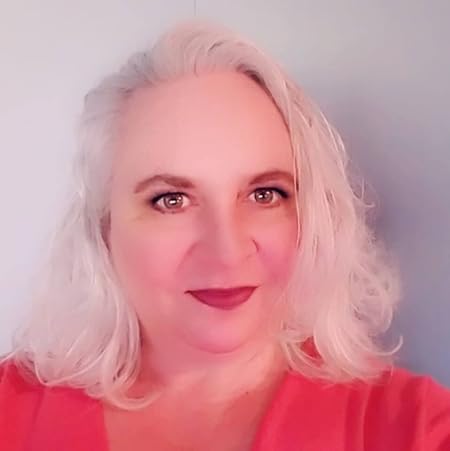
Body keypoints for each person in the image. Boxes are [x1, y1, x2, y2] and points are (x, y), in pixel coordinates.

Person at [1, 20, 449, 451]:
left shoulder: (417, 429)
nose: (227, 251)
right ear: (104, 228)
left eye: (264, 194)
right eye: (171, 200)